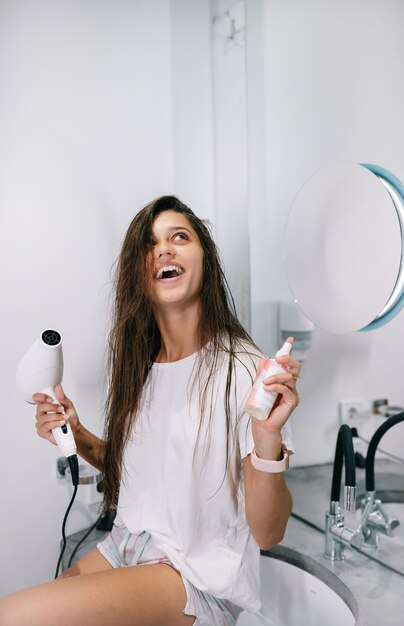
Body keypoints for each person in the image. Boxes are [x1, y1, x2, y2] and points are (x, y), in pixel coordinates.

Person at [0, 195, 300, 626]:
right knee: (57, 585)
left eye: (180, 236)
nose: (163, 249)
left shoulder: (245, 369)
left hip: (194, 579)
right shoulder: (140, 367)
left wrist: (267, 440)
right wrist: (77, 432)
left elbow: (269, 532)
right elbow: (143, 478)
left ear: (206, 260)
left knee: (14, 619)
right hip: (124, 547)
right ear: (138, 274)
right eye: (150, 243)